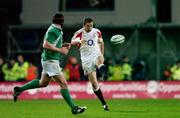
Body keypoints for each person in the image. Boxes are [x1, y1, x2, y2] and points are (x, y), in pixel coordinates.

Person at [13, 13, 86, 114]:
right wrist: (60, 50)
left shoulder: (56, 29)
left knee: (43, 83)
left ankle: (19, 89)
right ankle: (74, 108)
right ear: (61, 21)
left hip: (49, 60)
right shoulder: (54, 30)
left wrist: (62, 45)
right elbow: (46, 45)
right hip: (50, 61)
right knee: (63, 84)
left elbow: (52, 43)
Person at [71, 18, 109, 111]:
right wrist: (79, 41)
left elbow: (101, 42)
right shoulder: (79, 33)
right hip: (86, 60)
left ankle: (104, 74)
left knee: (99, 62)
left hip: (96, 54)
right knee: (95, 85)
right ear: (84, 25)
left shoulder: (97, 32)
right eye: (88, 26)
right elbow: (72, 42)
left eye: (91, 25)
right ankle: (104, 104)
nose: (90, 27)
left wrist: (102, 54)